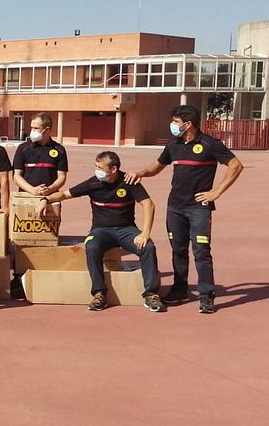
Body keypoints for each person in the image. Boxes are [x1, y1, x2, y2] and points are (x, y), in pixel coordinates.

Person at [124, 105, 243, 314]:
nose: (172, 126)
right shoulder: (174, 145)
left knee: (201, 252)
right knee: (178, 250)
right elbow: (158, 165)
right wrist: (140, 172)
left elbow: (236, 165)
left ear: (188, 124)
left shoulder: (209, 144)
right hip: (175, 207)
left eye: (176, 122)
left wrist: (217, 192)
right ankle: (180, 289)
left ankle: (206, 296)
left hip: (199, 208)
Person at [39, 151, 166, 313]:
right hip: (100, 231)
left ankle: (152, 295)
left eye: (100, 167)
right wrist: (45, 200)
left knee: (147, 247)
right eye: (95, 166)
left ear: (113, 169)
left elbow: (149, 205)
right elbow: (64, 194)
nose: (96, 170)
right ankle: (99, 293)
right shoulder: (93, 183)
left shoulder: (129, 182)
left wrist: (145, 233)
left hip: (126, 229)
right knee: (91, 246)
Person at [13, 112, 68, 196]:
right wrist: (33, 190)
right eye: (32, 128)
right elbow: (16, 176)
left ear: (47, 130)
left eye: (36, 128)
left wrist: (50, 189)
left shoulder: (59, 150)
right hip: (26, 196)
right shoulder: (23, 148)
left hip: (50, 197)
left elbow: (62, 177)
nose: (32, 131)